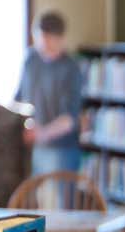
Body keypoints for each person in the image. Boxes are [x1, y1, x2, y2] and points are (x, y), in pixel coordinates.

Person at [15, 10, 84, 175]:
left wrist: (42, 133)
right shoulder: (30, 60)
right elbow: (19, 99)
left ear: (59, 38)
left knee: (58, 200)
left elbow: (69, 118)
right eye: (40, 36)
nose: (42, 42)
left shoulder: (70, 67)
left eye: (47, 37)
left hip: (62, 149)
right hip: (32, 148)